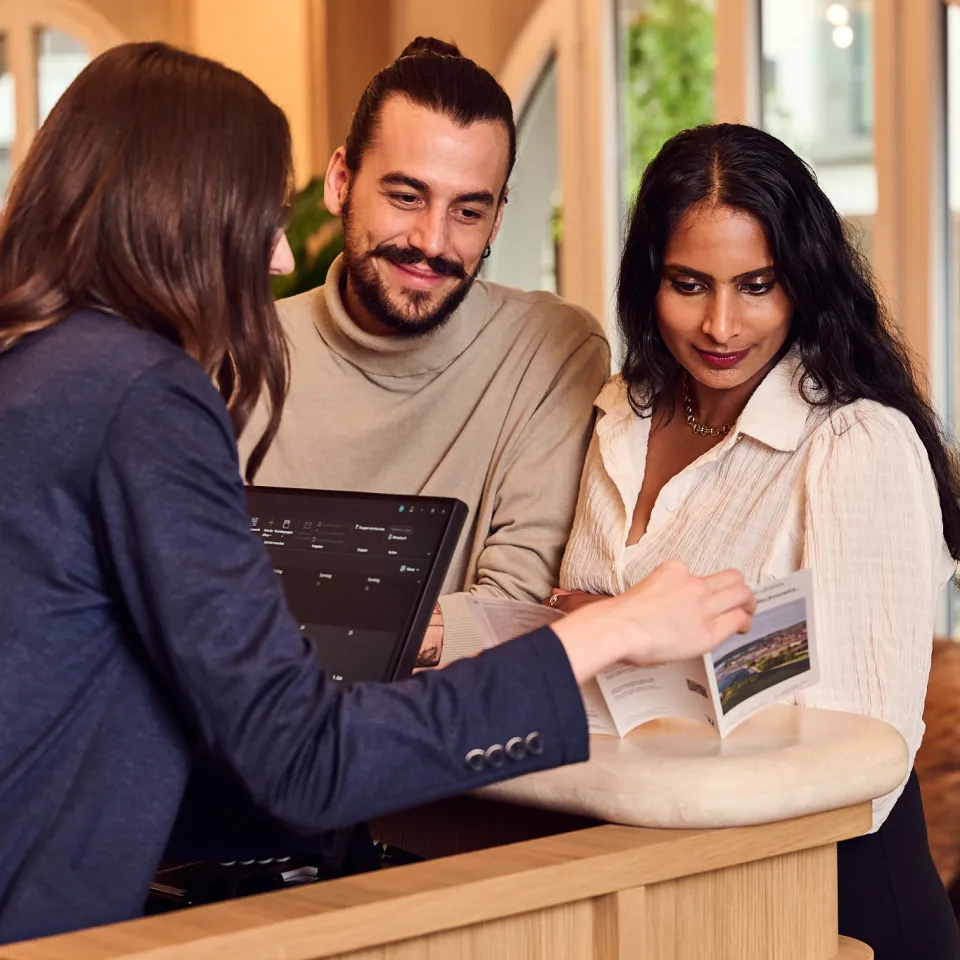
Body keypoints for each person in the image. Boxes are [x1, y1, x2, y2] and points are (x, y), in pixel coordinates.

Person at [0, 46, 756, 944]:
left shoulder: (37, 368)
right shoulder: (144, 395)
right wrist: (612, 629)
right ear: (176, 213)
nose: (280, 251)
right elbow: (305, 757)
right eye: (259, 215)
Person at [551, 123, 960, 960]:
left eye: (757, 285)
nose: (721, 325)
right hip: (656, 879)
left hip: (834, 894)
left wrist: (623, 634)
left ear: (802, 284)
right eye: (689, 284)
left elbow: (867, 747)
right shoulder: (617, 417)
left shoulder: (856, 445)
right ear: (648, 282)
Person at [238, 38, 609, 669]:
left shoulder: (553, 350)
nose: (431, 241)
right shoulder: (236, 350)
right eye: (406, 196)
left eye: (468, 210)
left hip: (454, 742)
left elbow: (518, 606)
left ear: (496, 223)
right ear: (340, 181)